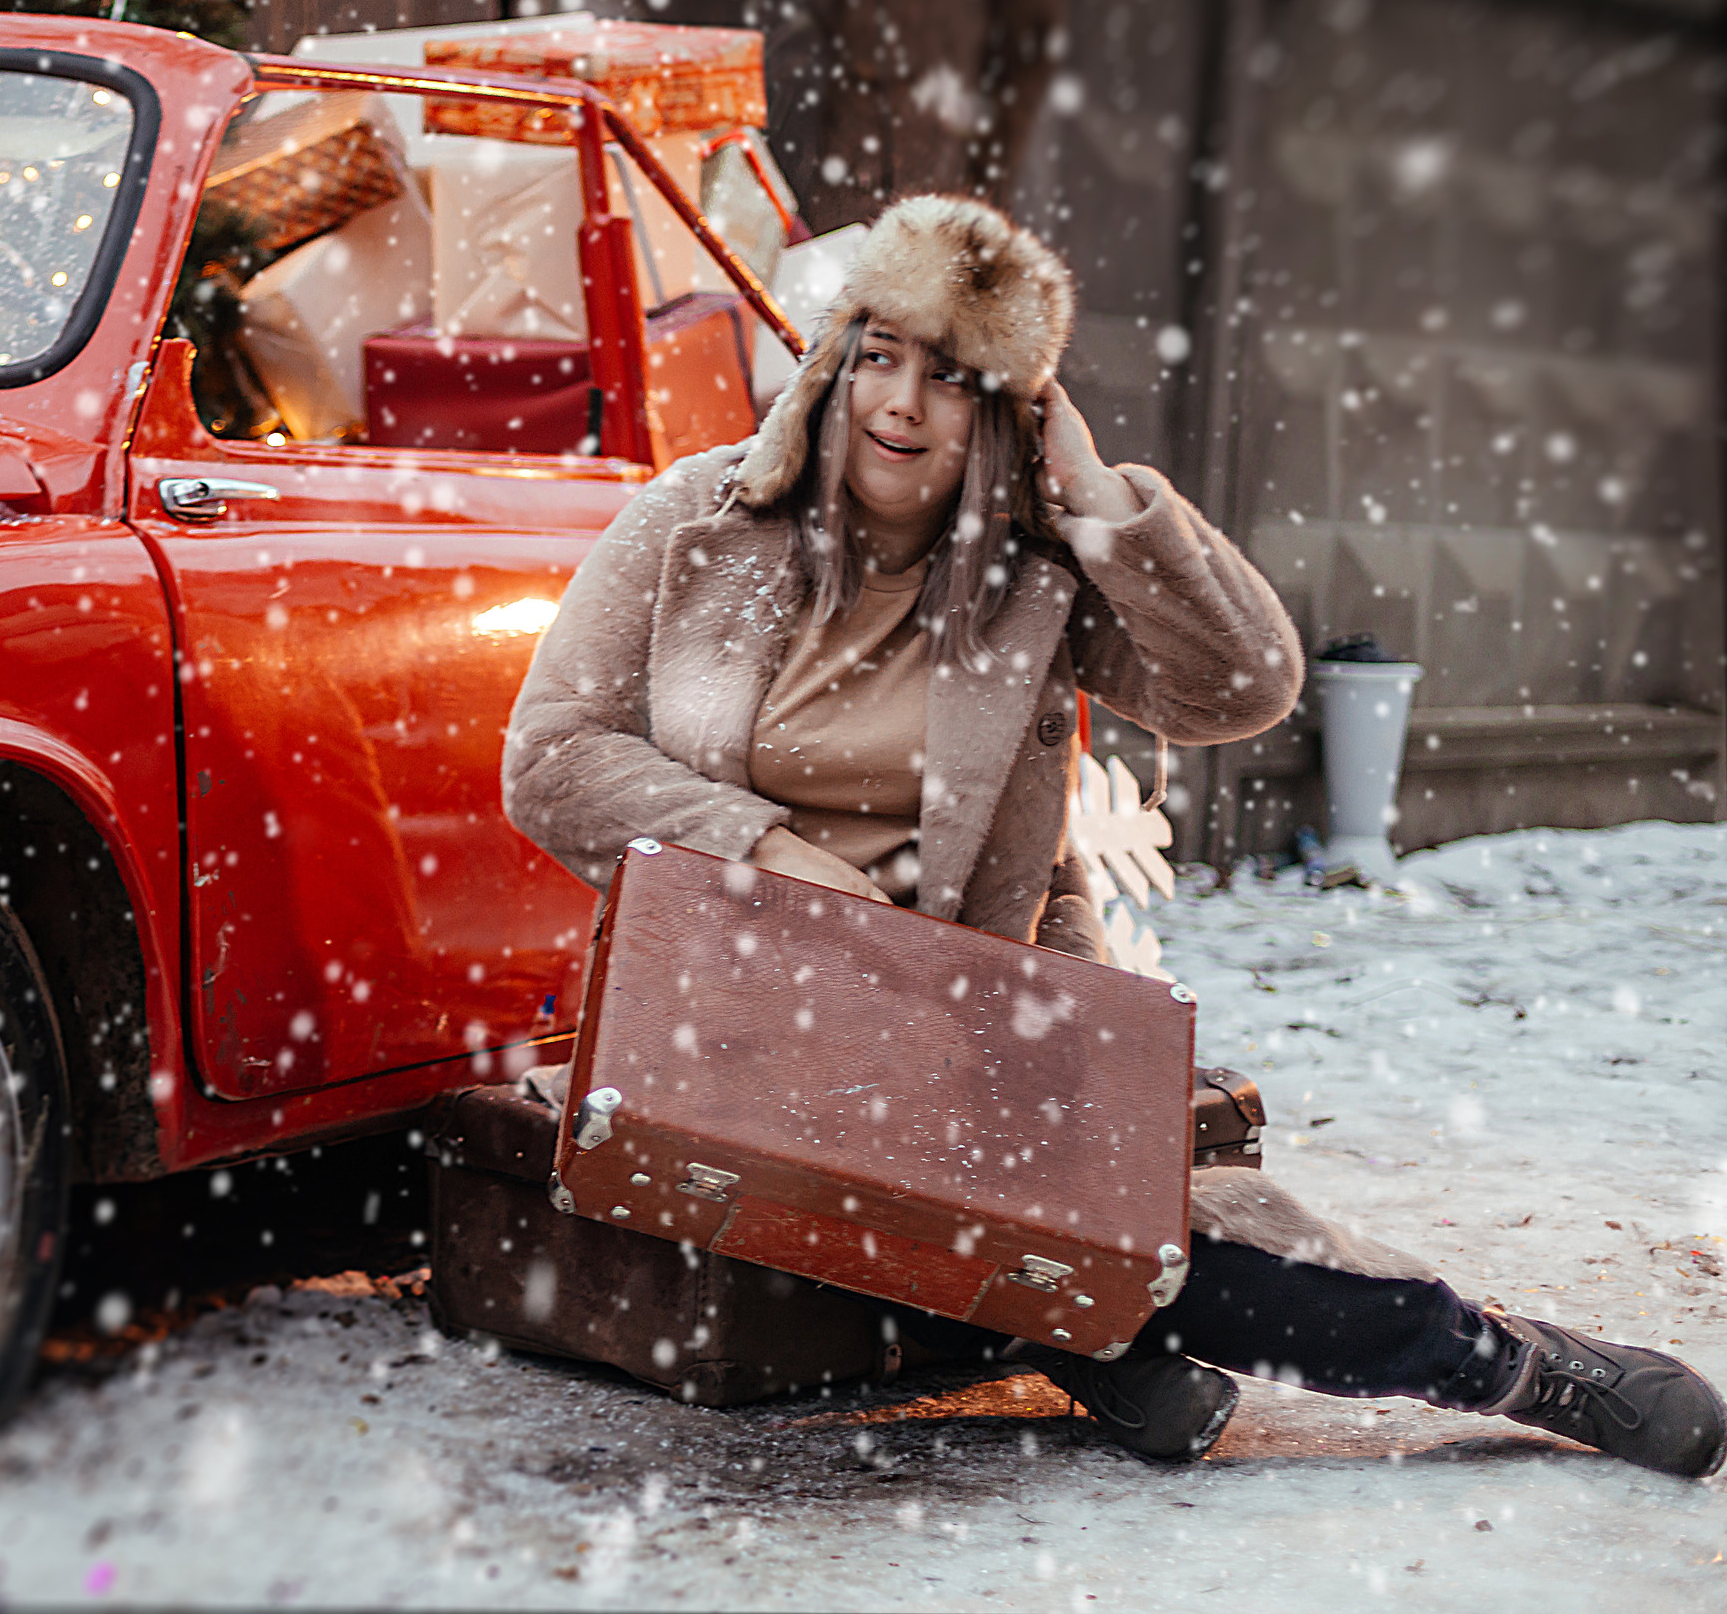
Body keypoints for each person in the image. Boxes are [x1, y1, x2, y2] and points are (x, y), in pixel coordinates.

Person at [500, 193, 1724, 1476]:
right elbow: (553, 759)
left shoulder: (1035, 572)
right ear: (831, 363)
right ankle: (1118, 1345)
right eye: (877, 357)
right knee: (977, 1223)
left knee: (1151, 1246)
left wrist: (1099, 497)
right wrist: (765, 853)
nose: (898, 407)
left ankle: (1498, 1364)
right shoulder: (698, 519)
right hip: (733, 1009)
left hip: (969, 1019)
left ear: (1011, 412)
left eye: (953, 378)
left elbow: (1240, 688)